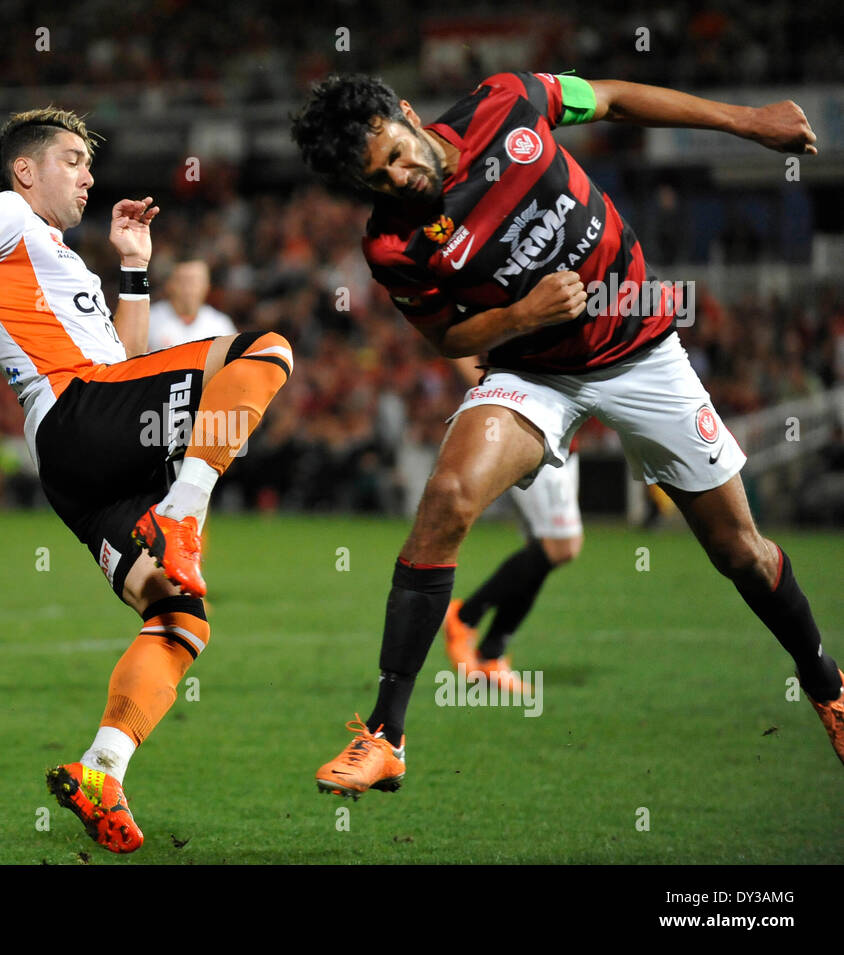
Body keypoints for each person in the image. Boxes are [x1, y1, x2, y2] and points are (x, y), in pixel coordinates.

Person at [290, 71, 840, 797]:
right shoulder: (392, 244)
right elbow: (445, 336)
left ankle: (828, 687)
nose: (401, 178)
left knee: (740, 550)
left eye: (397, 153)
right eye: (380, 179)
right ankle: (386, 736)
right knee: (448, 496)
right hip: (534, 372)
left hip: (642, 350)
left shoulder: (506, 103)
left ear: (408, 114)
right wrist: (521, 316)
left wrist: (747, 120)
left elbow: (615, 98)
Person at [0, 107, 293, 850]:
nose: (89, 174)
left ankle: (103, 767)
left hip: (79, 460)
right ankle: (186, 513)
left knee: (179, 617)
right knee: (265, 348)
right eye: (72, 159)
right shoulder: (3, 212)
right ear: (26, 171)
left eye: (89, 162)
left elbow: (127, 365)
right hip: (77, 414)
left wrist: (133, 264)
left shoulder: (66, 262)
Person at [442, 357, 583, 694]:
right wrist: (499, 394)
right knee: (561, 546)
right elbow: (459, 346)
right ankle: (464, 617)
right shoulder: (517, 309)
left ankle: (492, 654)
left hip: (563, 438)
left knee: (542, 551)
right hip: (533, 431)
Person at [147, 260, 237, 351]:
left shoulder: (221, 325)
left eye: (196, 280)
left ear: (207, 286)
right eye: (183, 280)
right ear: (169, 284)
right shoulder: (149, 320)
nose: (189, 287)